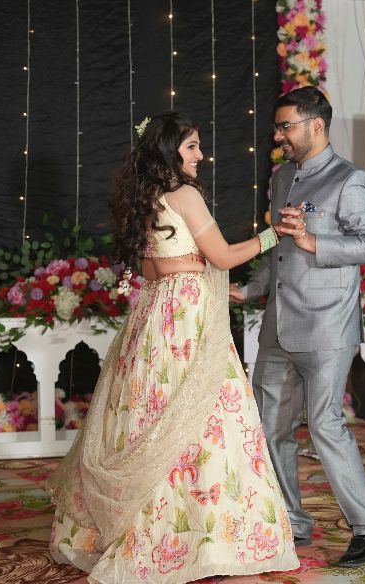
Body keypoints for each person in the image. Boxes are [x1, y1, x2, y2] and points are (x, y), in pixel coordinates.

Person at [47, 112, 299, 583]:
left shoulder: (144, 197)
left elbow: (151, 270)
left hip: (155, 320)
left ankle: (157, 532)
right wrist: (273, 235)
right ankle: (200, 539)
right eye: (191, 147)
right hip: (189, 320)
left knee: (152, 412)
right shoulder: (185, 195)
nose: (200, 155)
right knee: (206, 413)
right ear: (169, 151)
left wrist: (184, 262)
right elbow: (223, 256)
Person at [230, 86, 365, 567]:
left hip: (326, 328)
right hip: (278, 328)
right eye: (277, 128)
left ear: (316, 124)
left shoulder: (350, 179)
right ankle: (292, 523)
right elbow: (281, 252)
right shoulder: (282, 178)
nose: (278, 136)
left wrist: (313, 240)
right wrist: (249, 290)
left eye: (286, 127)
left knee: (324, 425)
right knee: (270, 428)